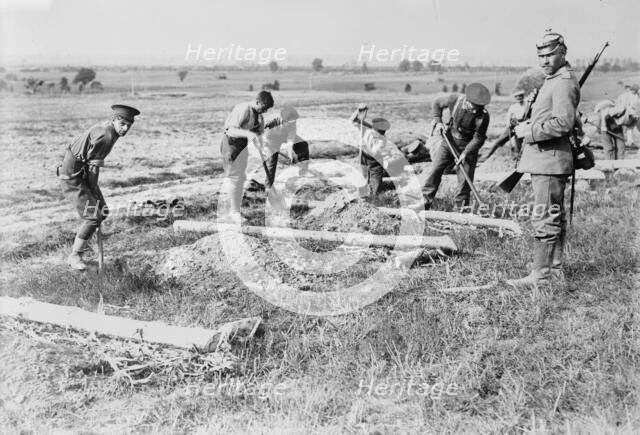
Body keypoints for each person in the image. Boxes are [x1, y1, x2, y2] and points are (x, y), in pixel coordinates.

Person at [508, 31, 580, 289]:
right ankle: (553, 268)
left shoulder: (562, 82)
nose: (545, 60)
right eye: (541, 56)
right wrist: (532, 122)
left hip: (549, 160)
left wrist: (530, 131)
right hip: (546, 160)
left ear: (563, 52)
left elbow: (563, 123)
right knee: (553, 215)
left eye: (550, 54)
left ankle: (541, 275)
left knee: (545, 216)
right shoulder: (554, 79)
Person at [58, 104, 140, 270]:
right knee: (93, 216)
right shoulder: (106, 136)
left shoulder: (109, 130)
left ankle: (84, 245)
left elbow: (90, 165)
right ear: (114, 120)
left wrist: (94, 190)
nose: (125, 129)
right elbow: (92, 169)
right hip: (73, 178)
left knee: (102, 211)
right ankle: (75, 256)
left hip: (81, 173)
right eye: (122, 124)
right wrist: (93, 189)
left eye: (128, 126)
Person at [421, 83, 491, 210]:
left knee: (465, 182)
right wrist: (438, 122)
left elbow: (479, 138)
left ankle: (461, 210)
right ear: (468, 101)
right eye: (474, 106)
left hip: (468, 148)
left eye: (480, 107)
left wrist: (465, 153)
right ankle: (424, 203)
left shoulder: (483, 116)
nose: (476, 110)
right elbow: (436, 103)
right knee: (435, 171)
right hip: (449, 142)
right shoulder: (455, 99)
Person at [220, 91, 274, 224]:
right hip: (231, 143)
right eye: (264, 107)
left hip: (242, 144)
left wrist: (261, 140)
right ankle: (233, 213)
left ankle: (234, 210)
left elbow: (258, 132)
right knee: (235, 177)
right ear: (257, 102)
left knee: (240, 177)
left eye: (267, 109)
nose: (265, 111)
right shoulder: (243, 109)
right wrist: (249, 135)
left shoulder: (259, 115)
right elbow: (230, 129)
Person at [349, 104, 394, 197]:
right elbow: (353, 121)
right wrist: (359, 111)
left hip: (376, 162)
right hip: (363, 158)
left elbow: (373, 152)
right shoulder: (368, 129)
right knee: (362, 177)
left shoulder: (382, 141)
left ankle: (375, 199)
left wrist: (364, 146)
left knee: (375, 184)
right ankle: (361, 197)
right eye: (374, 132)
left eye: (378, 134)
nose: (375, 135)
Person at [261, 105, 310, 189]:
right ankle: (268, 186)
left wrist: (290, 154)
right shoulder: (273, 119)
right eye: (291, 122)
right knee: (272, 160)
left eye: (294, 122)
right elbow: (259, 129)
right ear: (284, 120)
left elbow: (290, 140)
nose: (293, 123)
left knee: (303, 145)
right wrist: (262, 140)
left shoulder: (293, 124)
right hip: (272, 138)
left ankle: (303, 174)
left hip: (284, 136)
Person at [484, 90, 526, 158]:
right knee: (499, 141)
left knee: (518, 146)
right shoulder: (513, 106)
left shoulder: (526, 106)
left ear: (523, 97)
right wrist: (508, 124)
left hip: (521, 128)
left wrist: (521, 124)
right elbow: (508, 116)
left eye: (520, 96)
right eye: (517, 97)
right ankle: (487, 156)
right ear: (515, 98)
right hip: (512, 126)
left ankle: (517, 158)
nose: (518, 98)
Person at [615, 83, 639, 149]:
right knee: (630, 127)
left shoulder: (628, 95)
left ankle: (629, 141)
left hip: (630, 114)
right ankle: (629, 141)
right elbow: (628, 106)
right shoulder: (631, 96)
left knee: (630, 128)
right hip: (628, 114)